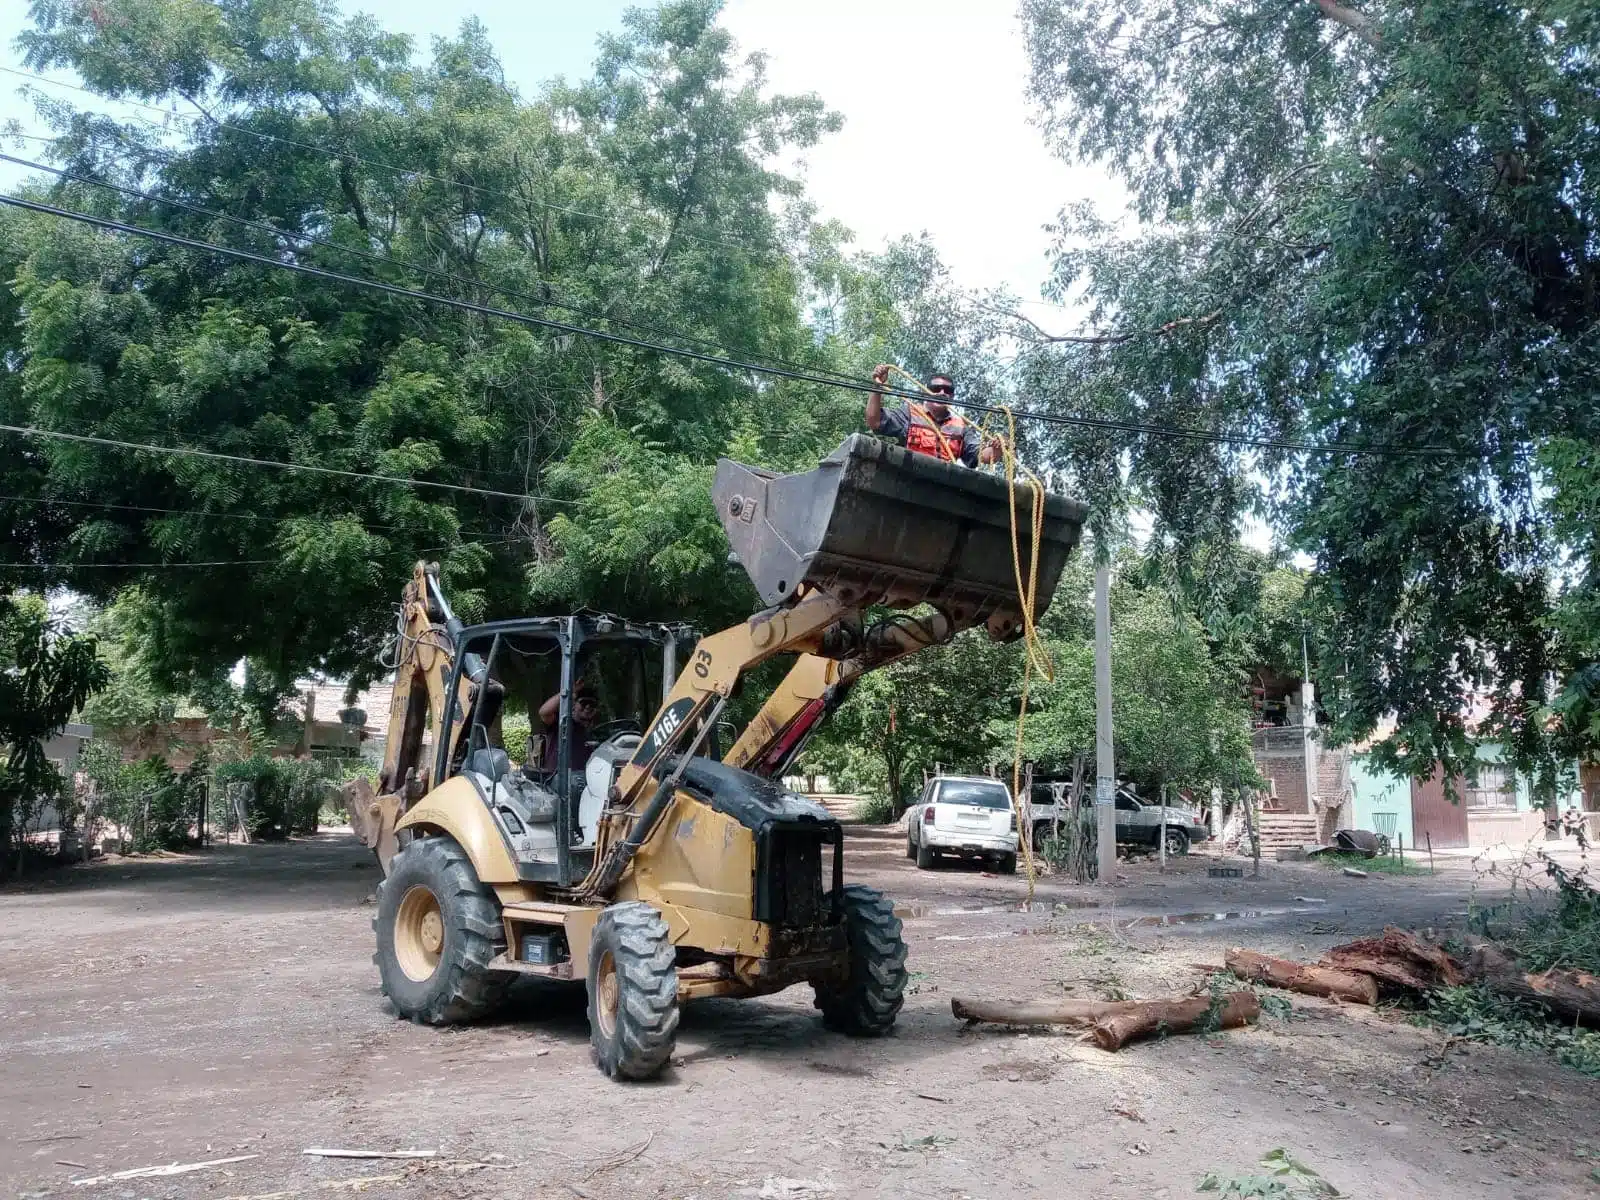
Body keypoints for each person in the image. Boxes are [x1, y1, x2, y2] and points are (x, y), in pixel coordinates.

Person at [865, 365, 1000, 466]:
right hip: (907, 482)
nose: (942, 393)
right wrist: (877, 387)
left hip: (942, 489)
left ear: (952, 396)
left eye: (948, 390)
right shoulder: (910, 413)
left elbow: (984, 456)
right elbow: (874, 421)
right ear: (925, 392)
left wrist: (998, 449)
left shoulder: (961, 427)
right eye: (936, 389)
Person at [537, 681, 600, 772]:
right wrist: (568, 692)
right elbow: (544, 712)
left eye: (592, 704)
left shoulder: (599, 730)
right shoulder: (562, 722)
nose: (588, 707)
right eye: (584, 703)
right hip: (558, 781)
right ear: (574, 704)